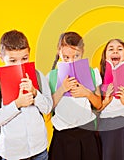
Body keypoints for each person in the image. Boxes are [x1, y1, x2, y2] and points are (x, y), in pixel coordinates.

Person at [0, 30, 53, 160]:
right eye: (12, 60)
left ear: (29, 53)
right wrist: (17, 104)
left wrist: (35, 94)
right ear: (1, 57)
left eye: (24, 58)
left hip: (39, 149)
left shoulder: (38, 76)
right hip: (12, 153)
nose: (19, 65)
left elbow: (48, 108)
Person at [48, 31, 102, 160]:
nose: (71, 61)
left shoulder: (93, 73)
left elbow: (99, 104)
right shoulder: (51, 77)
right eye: (66, 57)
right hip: (63, 135)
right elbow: (48, 108)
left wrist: (87, 93)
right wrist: (62, 89)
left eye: (76, 56)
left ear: (82, 52)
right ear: (59, 53)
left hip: (87, 134)